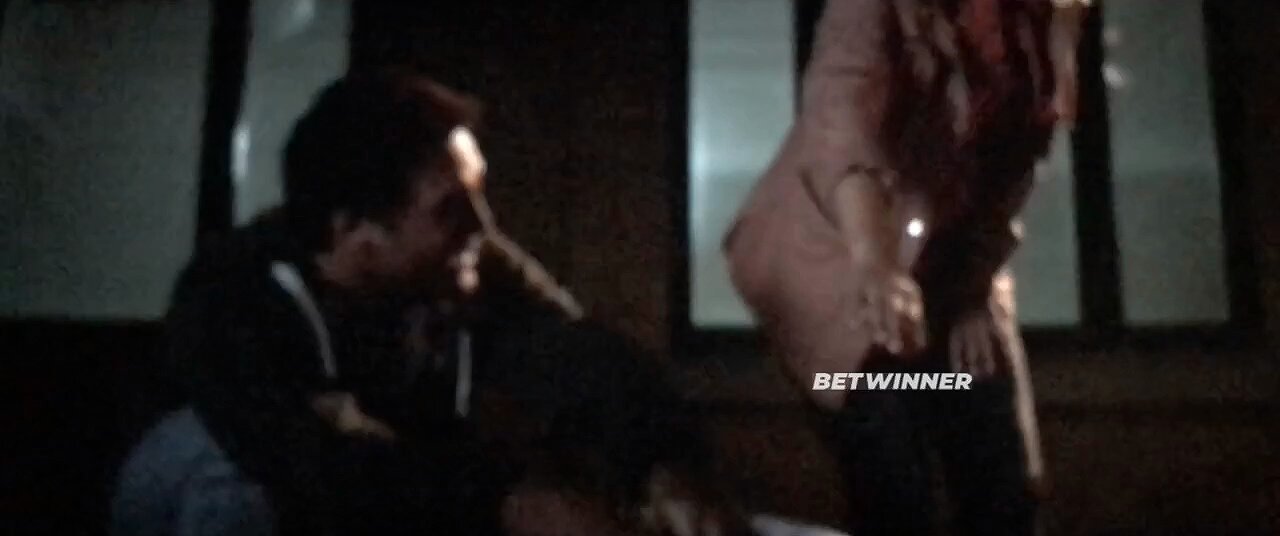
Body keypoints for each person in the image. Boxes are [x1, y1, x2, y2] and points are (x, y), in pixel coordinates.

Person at [723, 1, 1087, 535]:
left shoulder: (1039, 22)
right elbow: (841, 116)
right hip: (831, 261)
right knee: (892, 461)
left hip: (948, 271)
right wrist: (875, 261)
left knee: (999, 467)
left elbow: (1013, 169)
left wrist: (972, 290)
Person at [111, 69, 514, 535]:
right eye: (450, 209)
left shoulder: (447, 276)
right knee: (225, 465)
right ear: (355, 230)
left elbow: (566, 338)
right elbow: (290, 455)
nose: (483, 227)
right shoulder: (232, 300)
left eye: (479, 197)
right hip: (233, 485)